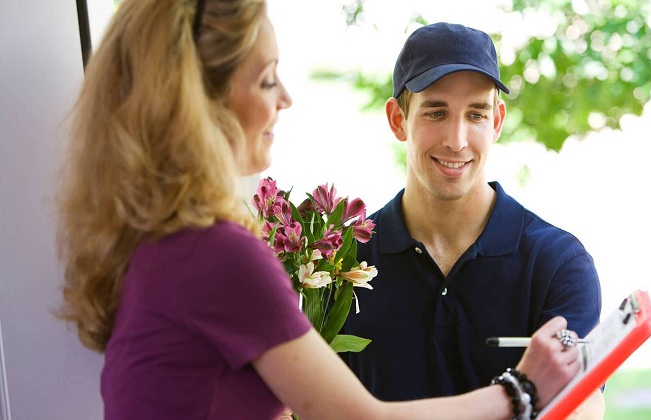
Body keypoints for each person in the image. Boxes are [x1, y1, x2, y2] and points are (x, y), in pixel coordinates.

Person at [56, 2, 583, 418]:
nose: (285, 97)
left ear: (498, 120)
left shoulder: (163, 242)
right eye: (266, 79)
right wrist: (521, 391)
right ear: (199, 102)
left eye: (476, 113)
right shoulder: (221, 254)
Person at [339, 22, 605, 417]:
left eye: (476, 114)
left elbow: (583, 404)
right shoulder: (341, 264)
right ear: (398, 119)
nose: (457, 139)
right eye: (436, 111)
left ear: (496, 121)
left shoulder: (557, 264)